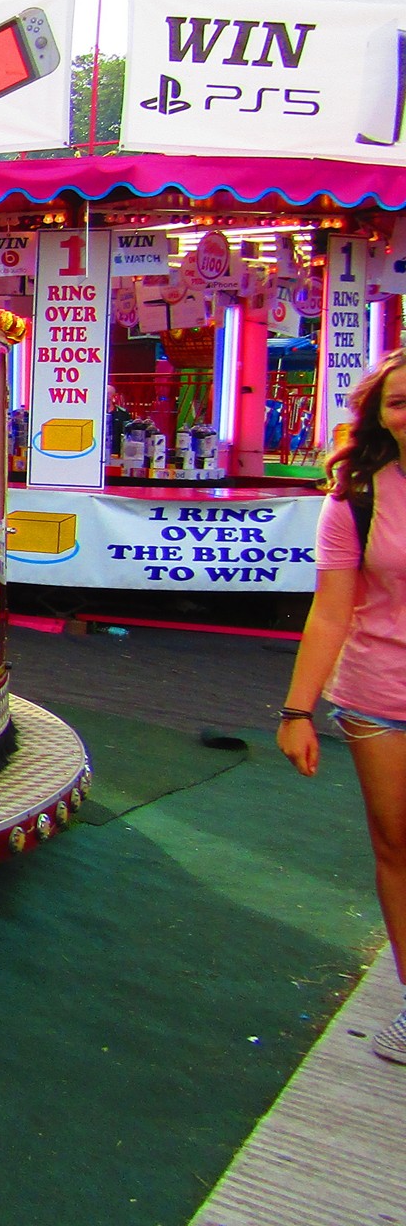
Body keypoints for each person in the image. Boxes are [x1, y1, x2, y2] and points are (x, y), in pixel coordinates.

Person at [279, 348, 406, 1065]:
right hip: (380, 693)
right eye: (398, 401)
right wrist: (297, 712)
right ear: (380, 415)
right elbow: (331, 612)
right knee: (396, 844)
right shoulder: (358, 496)